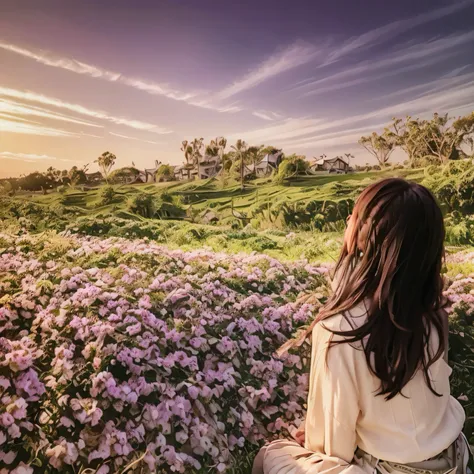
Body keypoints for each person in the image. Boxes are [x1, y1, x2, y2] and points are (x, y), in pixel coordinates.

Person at [252, 178, 471, 474]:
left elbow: (332, 450)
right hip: (453, 458)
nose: (347, 220)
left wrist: (316, 437)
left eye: (356, 215)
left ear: (368, 236)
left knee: (272, 456)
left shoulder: (340, 328)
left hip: (389, 468)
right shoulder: (432, 311)